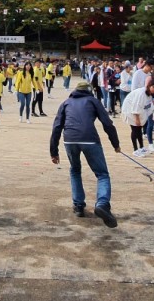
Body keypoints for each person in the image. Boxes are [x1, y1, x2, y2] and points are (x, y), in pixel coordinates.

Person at [50, 80, 121, 226]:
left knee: (75, 170)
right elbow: (107, 123)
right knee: (102, 174)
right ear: (89, 91)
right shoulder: (93, 101)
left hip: (70, 140)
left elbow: (57, 127)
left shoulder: (66, 103)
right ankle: (102, 204)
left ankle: (78, 205)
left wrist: (54, 151)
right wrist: (115, 144)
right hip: (90, 139)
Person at [121, 81, 154, 156]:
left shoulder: (149, 95)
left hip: (139, 112)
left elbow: (149, 106)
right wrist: (137, 119)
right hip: (130, 110)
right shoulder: (141, 93)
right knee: (135, 129)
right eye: (153, 87)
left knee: (139, 129)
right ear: (149, 86)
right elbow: (136, 106)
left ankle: (141, 147)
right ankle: (135, 150)